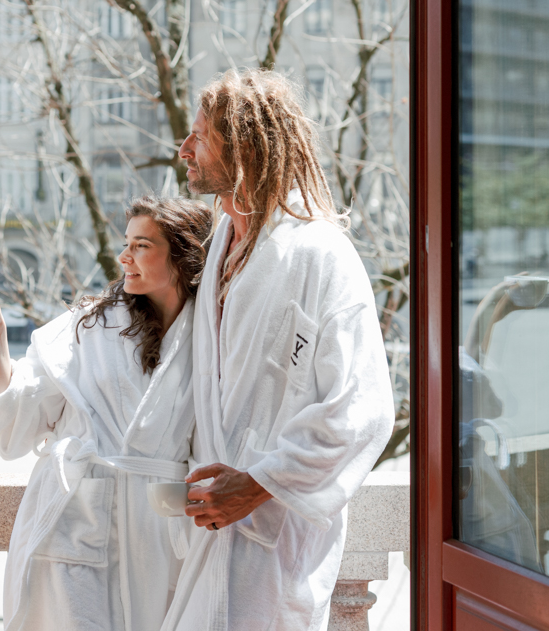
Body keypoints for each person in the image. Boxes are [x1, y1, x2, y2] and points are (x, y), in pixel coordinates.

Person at [162, 69, 394, 631]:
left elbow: (361, 409)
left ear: (242, 147)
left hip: (274, 534)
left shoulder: (320, 255)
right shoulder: (222, 245)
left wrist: (259, 483)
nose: (184, 149)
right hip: (210, 526)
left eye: (200, 137)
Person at [0, 196, 212, 631]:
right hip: (76, 520)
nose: (124, 256)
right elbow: (18, 419)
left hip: (160, 532)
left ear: (184, 255)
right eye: (125, 243)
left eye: (141, 246)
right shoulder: (89, 325)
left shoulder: (212, 336)